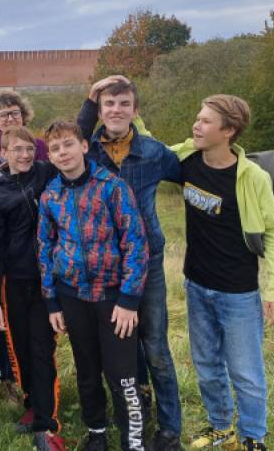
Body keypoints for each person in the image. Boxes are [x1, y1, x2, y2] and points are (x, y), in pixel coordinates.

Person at [171, 95, 274, 451]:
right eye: (198, 118)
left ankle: (253, 436)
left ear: (229, 131)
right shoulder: (187, 159)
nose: (196, 125)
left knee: (245, 371)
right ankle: (221, 427)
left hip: (238, 292)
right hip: (196, 285)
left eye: (206, 121)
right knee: (207, 365)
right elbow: (144, 147)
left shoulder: (252, 176)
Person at [78, 76, 184, 451]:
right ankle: (138, 403)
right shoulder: (88, 152)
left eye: (124, 103)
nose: (116, 110)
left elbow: (191, 175)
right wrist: (90, 99)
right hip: (107, 263)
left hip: (148, 259)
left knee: (155, 345)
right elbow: (68, 138)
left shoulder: (155, 153)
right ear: (100, 110)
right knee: (125, 342)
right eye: (109, 104)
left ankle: (170, 429)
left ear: (135, 110)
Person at [38, 120, 148, 451]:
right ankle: (96, 431)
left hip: (113, 298)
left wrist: (129, 299)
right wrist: (52, 302)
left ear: (84, 146)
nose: (63, 152)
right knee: (87, 370)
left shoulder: (112, 187)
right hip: (72, 296)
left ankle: (133, 439)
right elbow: (44, 247)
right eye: (55, 148)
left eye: (68, 144)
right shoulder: (50, 195)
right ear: (50, 157)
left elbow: (135, 242)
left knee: (122, 374)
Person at [0, 126, 64, 451]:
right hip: (13, 283)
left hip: (47, 280)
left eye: (29, 148)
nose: (25, 155)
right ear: (4, 153)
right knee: (20, 349)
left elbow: (75, 143)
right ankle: (32, 402)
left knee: (42, 348)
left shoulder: (46, 173)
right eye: (17, 149)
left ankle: (47, 422)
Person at [0, 90, 47, 404]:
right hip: (5, 239)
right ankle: (9, 379)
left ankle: (41, 388)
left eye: (14, 112)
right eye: (3, 114)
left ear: (24, 115)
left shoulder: (39, 148)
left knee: (40, 328)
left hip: (39, 248)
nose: (10, 118)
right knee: (8, 324)